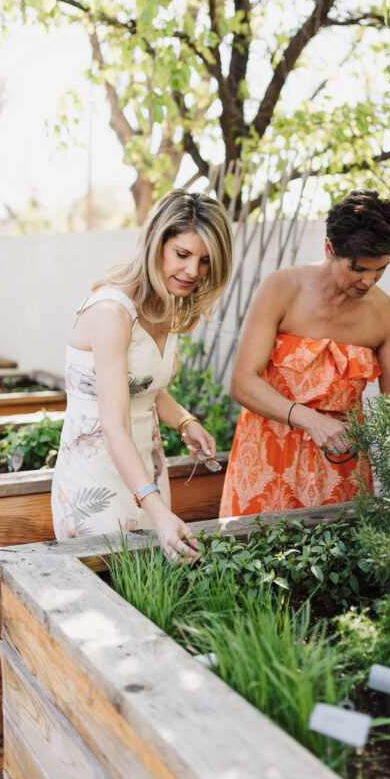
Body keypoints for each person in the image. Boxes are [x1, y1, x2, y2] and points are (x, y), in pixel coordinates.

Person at [51, 189, 234, 561]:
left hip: (146, 469)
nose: (192, 272)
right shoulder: (112, 311)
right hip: (97, 476)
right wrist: (158, 512)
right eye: (182, 255)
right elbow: (113, 424)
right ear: (156, 244)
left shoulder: (165, 302)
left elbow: (144, 388)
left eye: (204, 261)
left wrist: (185, 423)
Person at [219, 189, 390, 517]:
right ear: (329, 248)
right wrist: (311, 420)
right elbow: (242, 382)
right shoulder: (281, 288)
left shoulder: (386, 315)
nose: (369, 281)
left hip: (341, 466)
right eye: (359, 269)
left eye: (380, 269)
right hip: (265, 459)